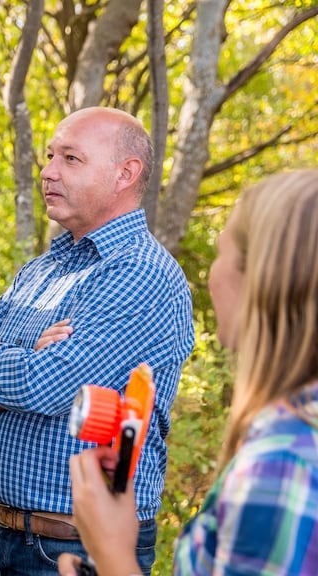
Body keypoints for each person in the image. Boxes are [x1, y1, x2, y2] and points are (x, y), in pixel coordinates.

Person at [0, 106, 195, 575]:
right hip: (12, 538)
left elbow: (48, 386)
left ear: (126, 173)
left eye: (71, 159)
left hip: (83, 549)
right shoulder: (42, 270)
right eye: (50, 156)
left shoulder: (138, 271)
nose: (48, 171)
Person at [60, 169, 318, 576]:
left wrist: (112, 554)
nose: (212, 275)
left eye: (220, 254)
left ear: (262, 282)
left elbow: (51, 380)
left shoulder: (282, 466)